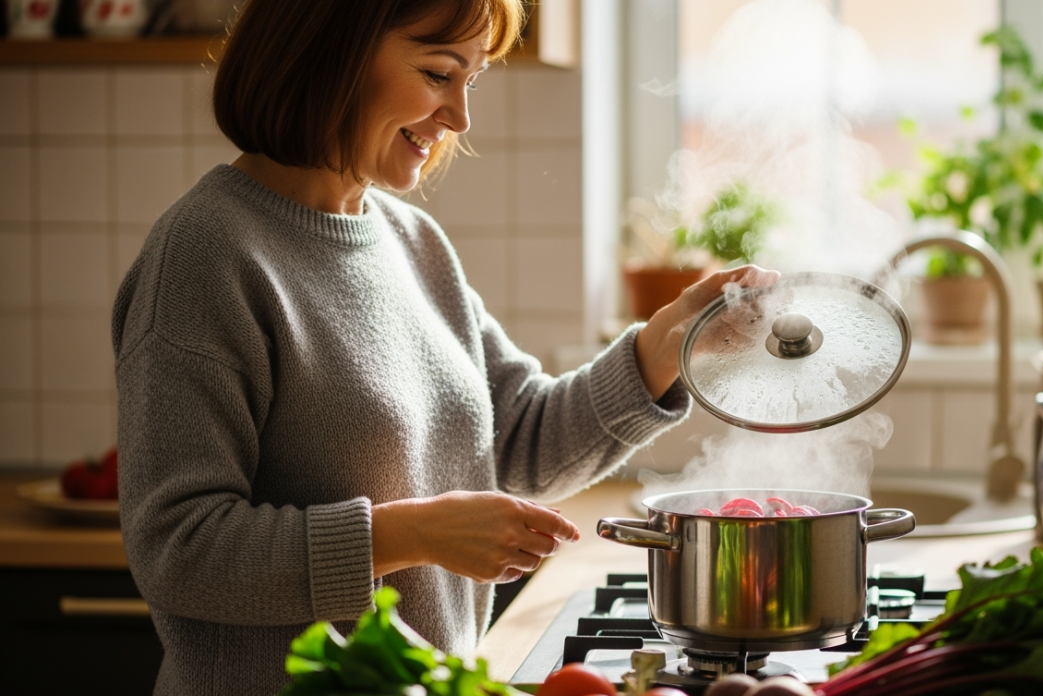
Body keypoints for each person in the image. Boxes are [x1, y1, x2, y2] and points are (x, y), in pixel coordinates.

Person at [110, 0, 776, 693]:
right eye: (437, 73)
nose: (460, 117)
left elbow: (516, 441)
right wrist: (410, 536)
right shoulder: (206, 253)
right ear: (328, 50)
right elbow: (178, 549)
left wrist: (665, 347)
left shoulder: (411, 242)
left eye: (472, 81)